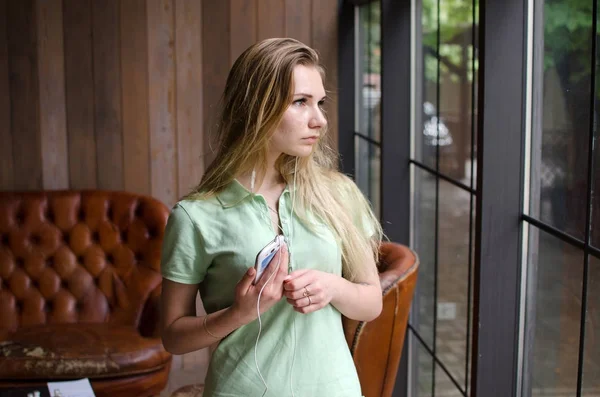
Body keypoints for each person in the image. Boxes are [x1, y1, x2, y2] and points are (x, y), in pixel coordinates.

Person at [160, 38, 384, 397]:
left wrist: (333, 287)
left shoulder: (338, 194)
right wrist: (239, 313)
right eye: (301, 102)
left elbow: (372, 302)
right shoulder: (194, 217)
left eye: (320, 103)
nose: (320, 120)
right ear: (256, 107)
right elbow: (173, 337)